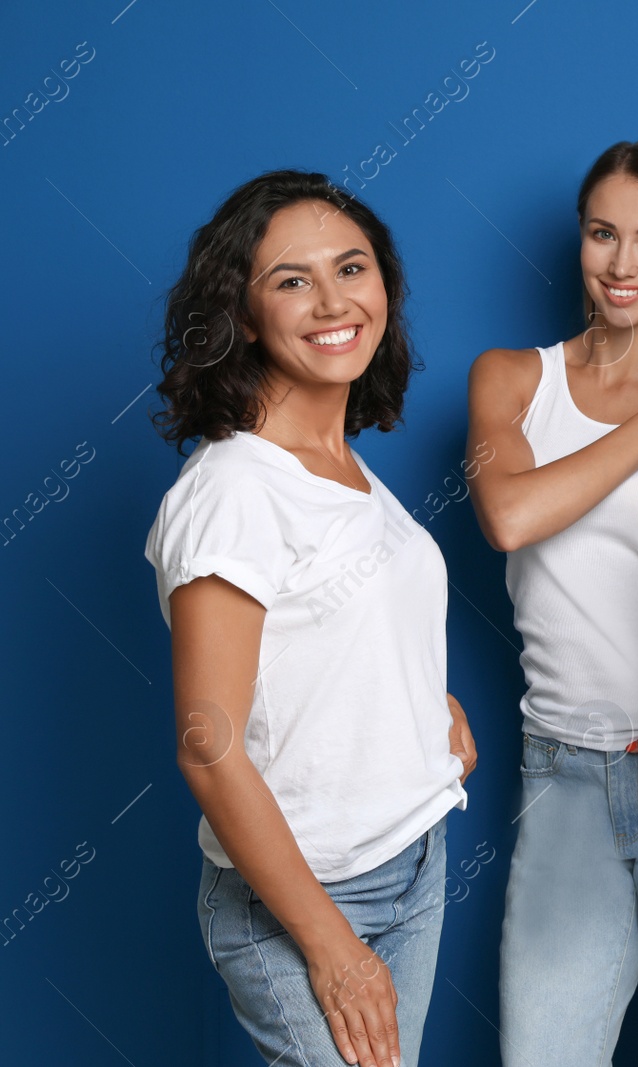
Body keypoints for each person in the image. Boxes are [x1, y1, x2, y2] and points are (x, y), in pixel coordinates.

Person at [146, 170, 474, 1067]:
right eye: (292, 279)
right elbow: (207, 746)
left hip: (413, 857)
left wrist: (426, 708)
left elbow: (335, 630)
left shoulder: (344, 467)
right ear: (244, 315)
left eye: (352, 268)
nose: (333, 300)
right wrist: (331, 949)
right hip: (308, 895)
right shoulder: (232, 490)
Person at [465, 140, 638, 1066]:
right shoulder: (512, 379)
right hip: (563, 779)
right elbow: (511, 515)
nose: (623, 264)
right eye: (602, 235)